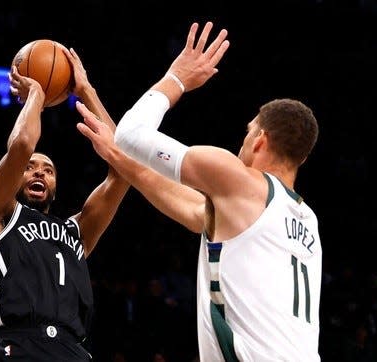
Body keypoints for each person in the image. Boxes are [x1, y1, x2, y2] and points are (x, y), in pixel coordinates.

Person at [75, 21, 322, 361]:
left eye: (248, 132)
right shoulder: (304, 218)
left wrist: (176, 78)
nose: (244, 140)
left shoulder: (240, 181)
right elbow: (190, 208)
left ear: (260, 138)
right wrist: (118, 157)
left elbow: (130, 134)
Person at [0, 43, 129, 361]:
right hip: (19, 345)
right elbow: (22, 144)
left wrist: (86, 90)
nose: (39, 173)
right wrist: (36, 95)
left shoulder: (78, 231)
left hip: (73, 349)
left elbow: (124, 168)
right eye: (31, 167)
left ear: (56, 185)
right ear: (17, 176)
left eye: (48, 170)